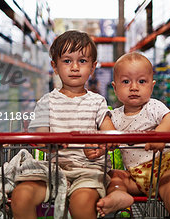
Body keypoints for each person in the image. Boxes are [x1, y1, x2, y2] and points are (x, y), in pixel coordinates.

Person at [10, 30, 116, 219]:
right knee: (21, 196)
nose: (74, 67)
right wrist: (50, 144)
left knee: (81, 205)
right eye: (67, 61)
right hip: (53, 169)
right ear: (55, 67)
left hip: (88, 171)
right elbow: (41, 137)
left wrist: (100, 147)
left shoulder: (97, 101)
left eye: (82, 61)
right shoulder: (46, 102)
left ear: (93, 68)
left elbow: (110, 134)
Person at [96, 52, 170, 219]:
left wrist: (160, 135)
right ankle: (119, 194)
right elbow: (108, 138)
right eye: (126, 82)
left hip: (164, 169)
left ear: (152, 86)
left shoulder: (153, 106)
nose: (134, 87)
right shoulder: (114, 117)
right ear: (115, 87)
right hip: (135, 176)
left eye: (142, 81)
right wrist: (101, 148)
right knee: (114, 176)